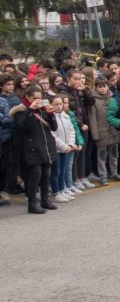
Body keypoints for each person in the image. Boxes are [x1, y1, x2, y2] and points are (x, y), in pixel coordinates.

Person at [11, 85, 58, 213]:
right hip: (31, 147)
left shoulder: (43, 109)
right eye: (35, 98)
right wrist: (30, 110)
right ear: (28, 97)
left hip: (46, 146)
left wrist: (51, 113)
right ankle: (31, 203)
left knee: (45, 174)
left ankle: (45, 200)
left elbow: (53, 127)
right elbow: (21, 127)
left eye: (40, 98)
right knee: (35, 175)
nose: (38, 100)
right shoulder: (20, 111)